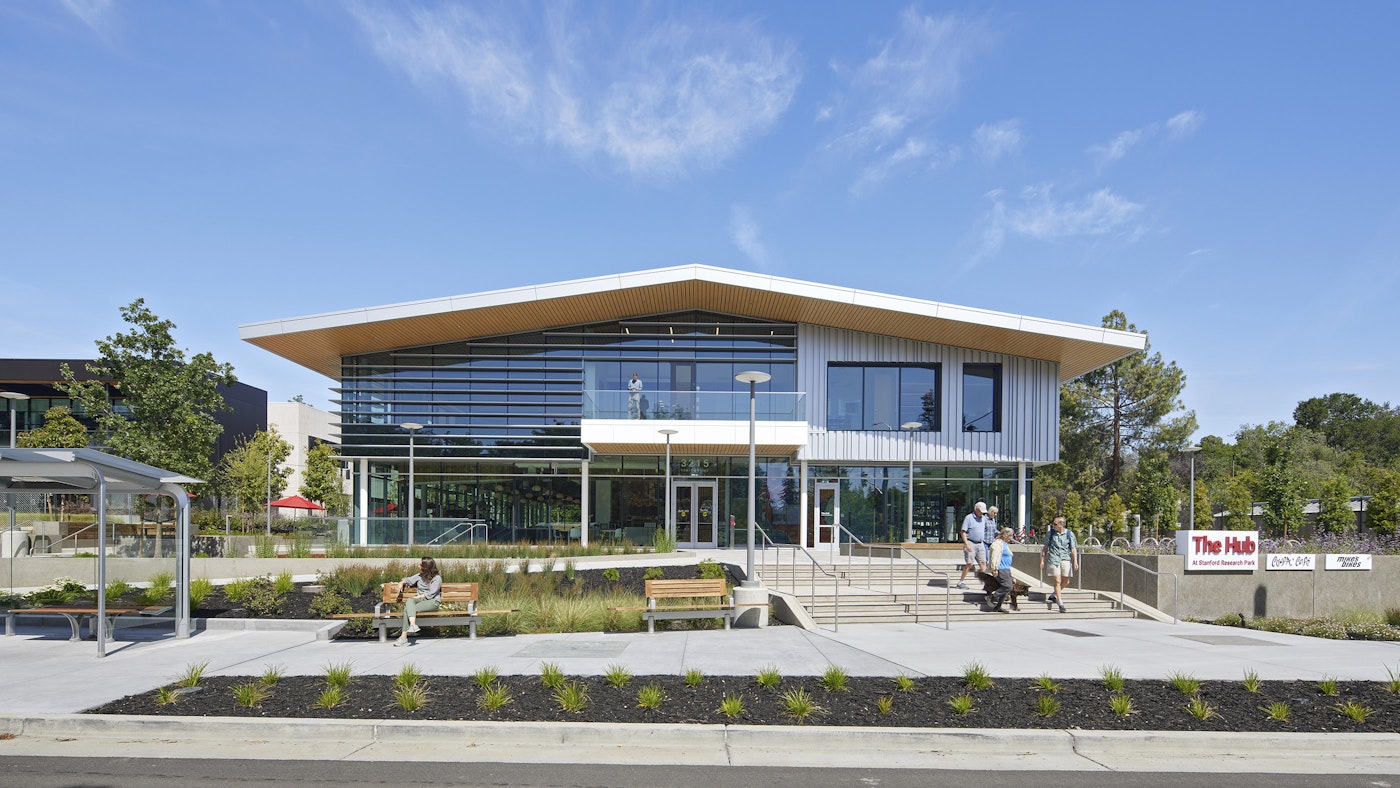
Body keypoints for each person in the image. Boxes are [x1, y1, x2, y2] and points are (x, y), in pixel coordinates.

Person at [393, 556, 442, 647]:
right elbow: (407, 580)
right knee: (409, 602)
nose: (418, 566)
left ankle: (403, 638)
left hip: (432, 602)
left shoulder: (437, 578)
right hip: (420, 601)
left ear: (426, 567)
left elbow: (431, 594)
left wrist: (417, 597)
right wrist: (401, 583)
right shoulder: (419, 576)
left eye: (420, 565)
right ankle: (413, 625)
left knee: (407, 609)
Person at [1039, 516, 1079, 614]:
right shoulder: (1051, 533)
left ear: (1061, 525)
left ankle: (1054, 594)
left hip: (1065, 558)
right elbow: (1045, 548)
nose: (1053, 525)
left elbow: (1073, 548)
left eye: (1055, 524)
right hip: (1054, 558)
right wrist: (1042, 560)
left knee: (1066, 580)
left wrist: (1075, 561)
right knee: (1057, 580)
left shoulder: (1069, 534)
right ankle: (1060, 603)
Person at [955, 501, 989, 589]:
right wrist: (967, 544)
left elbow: (985, 529)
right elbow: (963, 532)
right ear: (976, 509)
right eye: (981, 511)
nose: (982, 513)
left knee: (983, 563)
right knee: (969, 563)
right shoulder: (969, 518)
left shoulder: (984, 518)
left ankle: (986, 583)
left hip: (980, 543)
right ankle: (961, 581)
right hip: (970, 542)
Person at [986, 526, 1016, 613]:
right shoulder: (997, 544)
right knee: (1008, 586)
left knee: (1008, 588)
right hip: (1001, 569)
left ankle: (998, 606)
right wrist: (994, 569)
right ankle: (992, 597)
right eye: (1010, 535)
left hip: (1006, 569)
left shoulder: (1005, 544)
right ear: (1005, 535)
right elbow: (994, 557)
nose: (1011, 538)